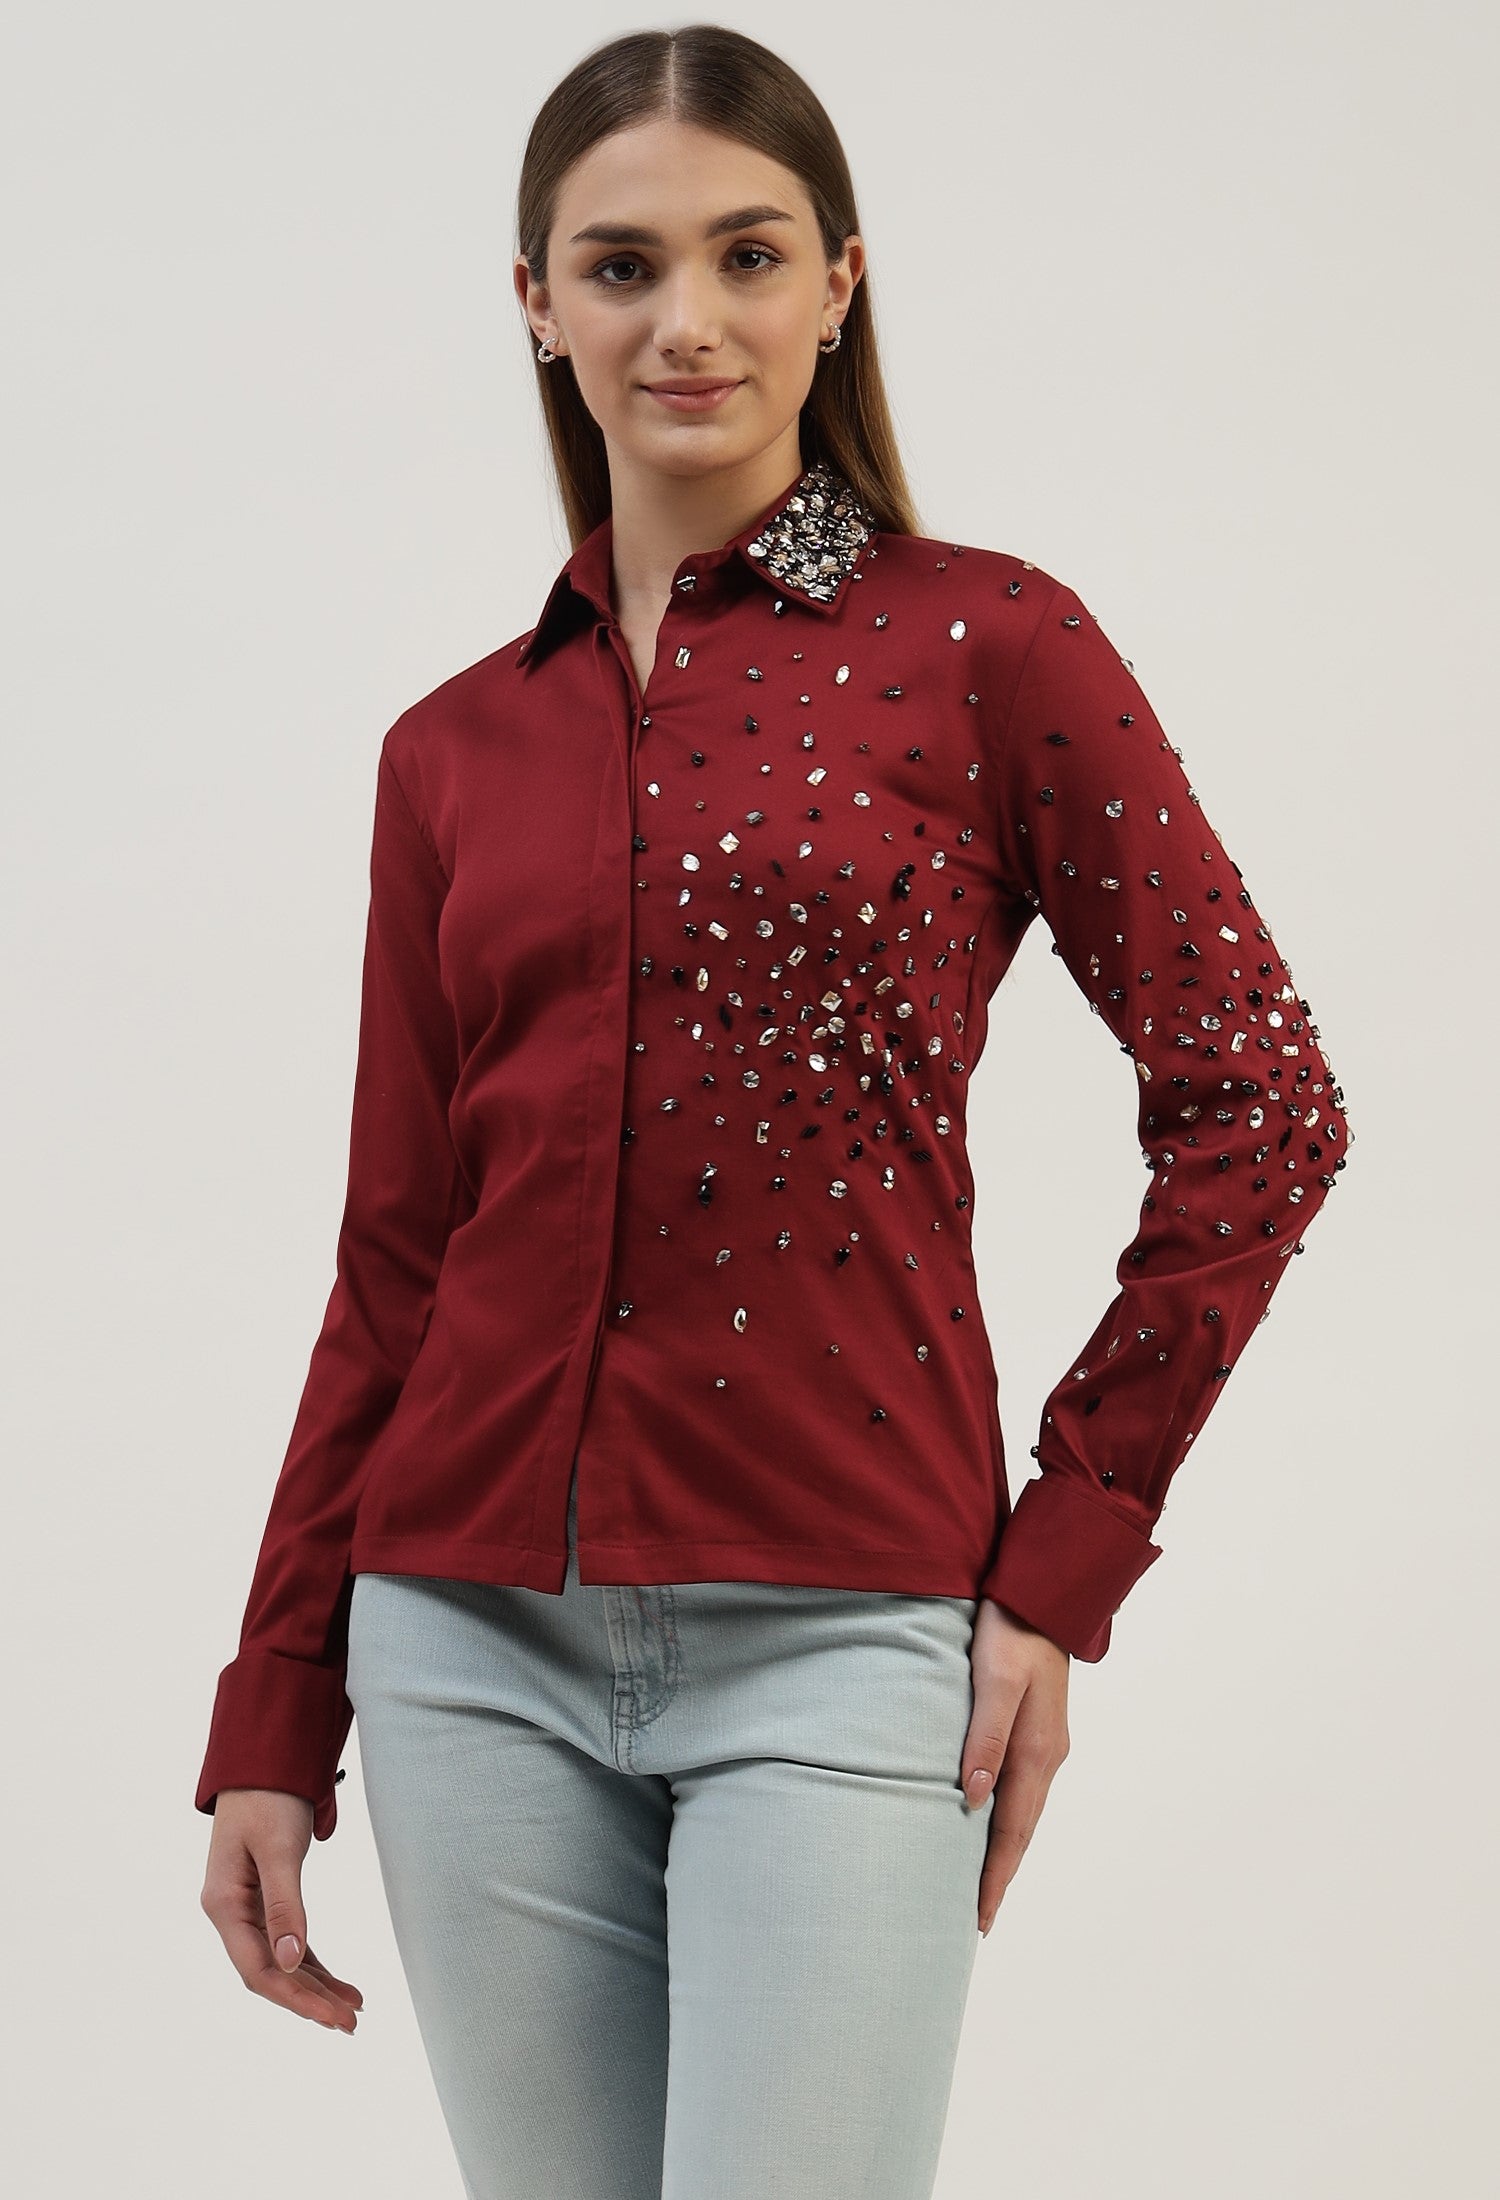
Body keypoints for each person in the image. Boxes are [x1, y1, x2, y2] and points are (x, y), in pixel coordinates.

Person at [196, 24, 1354, 2200]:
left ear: (840, 281)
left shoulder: (989, 647)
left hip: (847, 1635)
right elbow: (399, 1257)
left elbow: (1260, 1101)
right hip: (460, 1648)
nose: (688, 322)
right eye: (620, 266)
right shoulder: (450, 752)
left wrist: (1070, 1549)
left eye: (747, 255)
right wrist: (278, 1703)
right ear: (537, 304)